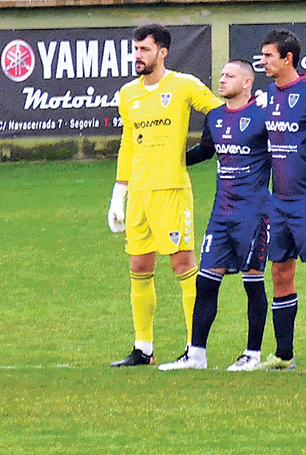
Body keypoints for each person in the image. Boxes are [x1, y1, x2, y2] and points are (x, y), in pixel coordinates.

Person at [107, 24, 222, 367]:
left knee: (182, 265)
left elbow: (218, 111)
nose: (138, 55)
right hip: (139, 194)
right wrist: (119, 193)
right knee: (139, 266)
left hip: (172, 191)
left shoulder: (184, 85)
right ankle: (143, 348)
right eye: (136, 49)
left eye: (144, 49)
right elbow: (128, 144)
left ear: (163, 52)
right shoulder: (128, 93)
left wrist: (208, 146)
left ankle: (194, 349)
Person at [157, 59, 271, 372]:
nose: (221, 80)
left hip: (253, 214)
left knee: (253, 284)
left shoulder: (263, 115)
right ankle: (196, 354)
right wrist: (169, 159)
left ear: (247, 83)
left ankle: (252, 354)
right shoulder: (216, 116)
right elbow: (206, 151)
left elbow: (286, 152)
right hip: (221, 214)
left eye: (229, 76)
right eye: (221, 75)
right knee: (206, 283)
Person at [256, 29, 306, 373]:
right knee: (280, 272)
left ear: (287, 58)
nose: (263, 61)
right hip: (279, 201)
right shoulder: (269, 94)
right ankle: (284, 354)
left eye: (268, 55)